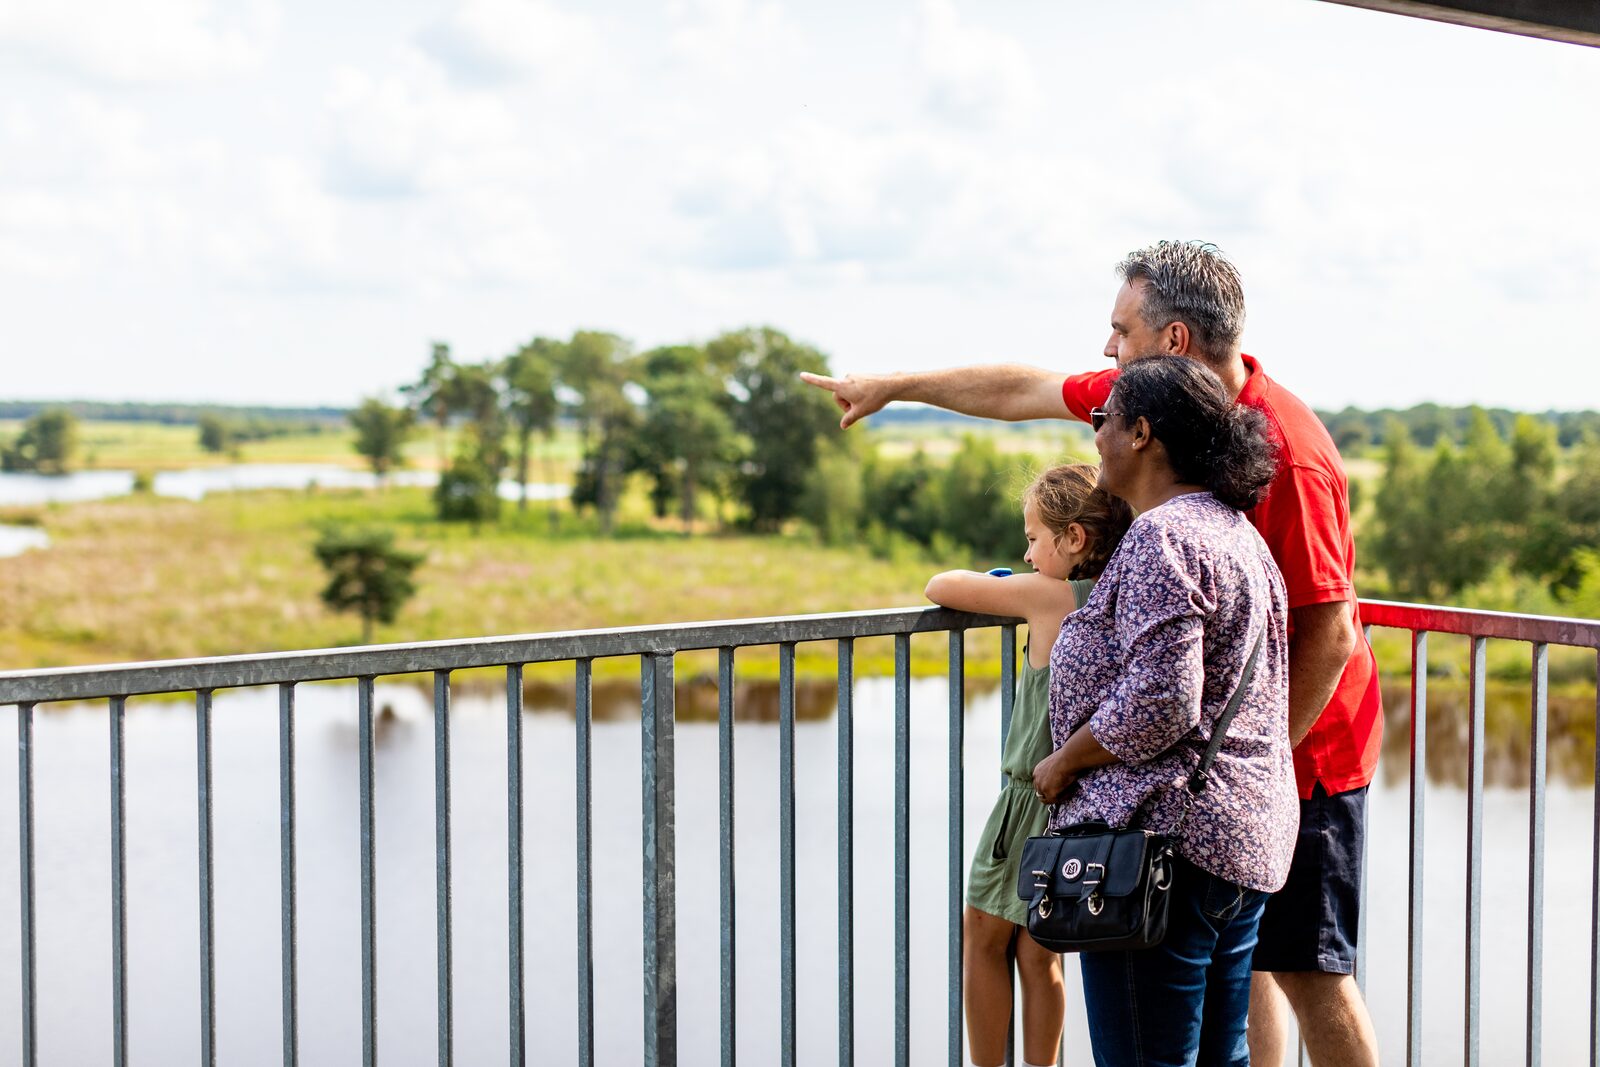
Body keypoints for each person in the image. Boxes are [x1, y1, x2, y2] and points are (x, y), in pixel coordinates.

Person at [800, 241, 1381, 1066]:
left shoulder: (1267, 471)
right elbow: (1021, 388)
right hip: (1232, 803)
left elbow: (1320, 636)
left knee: (1303, 973)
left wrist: (1073, 761)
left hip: (1269, 770)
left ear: (1166, 363)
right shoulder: (1215, 502)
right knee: (1227, 1011)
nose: (1105, 363)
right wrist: (895, 387)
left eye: (1120, 331)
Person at [1030, 357, 1296, 1065]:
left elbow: (1162, 701)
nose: (1093, 437)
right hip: (1238, 844)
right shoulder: (1236, 531)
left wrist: (1064, 760)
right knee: (1219, 1056)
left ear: (1141, 432)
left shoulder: (1161, 537)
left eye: (1102, 419)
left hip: (1163, 850)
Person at [926, 464, 1133, 1067]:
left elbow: (942, 585)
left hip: (1028, 797)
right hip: (1086, 799)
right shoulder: (1124, 594)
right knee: (1041, 952)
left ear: (1074, 539)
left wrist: (1004, 581)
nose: (1026, 550)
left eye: (1035, 537)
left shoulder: (1046, 594)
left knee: (983, 937)